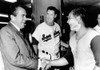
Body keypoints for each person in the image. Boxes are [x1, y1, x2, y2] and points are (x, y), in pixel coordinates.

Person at [0, 3, 38, 70]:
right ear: (12, 17)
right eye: (23, 16)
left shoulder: (20, 32)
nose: (26, 19)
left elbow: (30, 54)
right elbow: (15, 59)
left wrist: (40, 60)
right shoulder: (5, 31)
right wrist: (38, 63)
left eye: (25, 16)